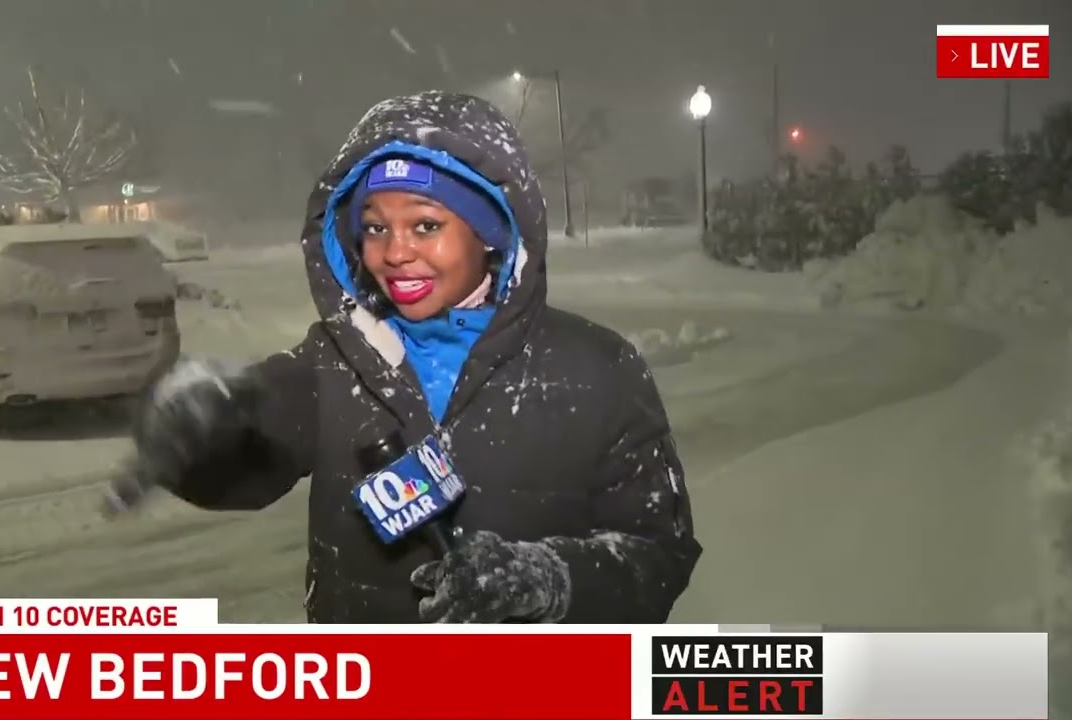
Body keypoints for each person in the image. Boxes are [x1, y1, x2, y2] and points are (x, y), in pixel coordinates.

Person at [124, 91, 702, 623]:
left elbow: (657, 554)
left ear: (491, 234)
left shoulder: (600, 369)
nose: (395, 252)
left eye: (426, 225)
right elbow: (248, 449)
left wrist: (549, 581)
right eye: (374, 227)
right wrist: (198, 432)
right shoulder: (335, 358)